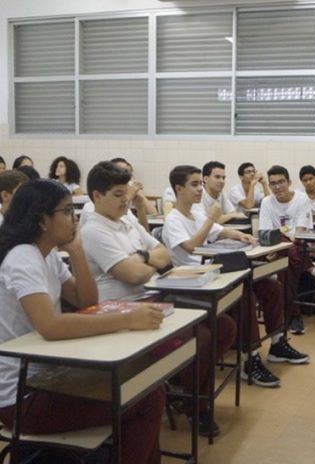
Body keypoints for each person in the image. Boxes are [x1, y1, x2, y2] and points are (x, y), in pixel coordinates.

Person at [0, 179, 164, 463]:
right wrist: (127, 319)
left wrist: (77, 251)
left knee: (144, 383)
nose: (75, 219)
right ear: (42, 220)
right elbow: (51, 326)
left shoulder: (46, 254)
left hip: (48, 379)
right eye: (68, 211)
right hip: (23, 398)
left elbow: (87, 302)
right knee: (145, 395)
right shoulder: (23, 257)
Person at [80, 162, 233, 437]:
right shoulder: (94, 229)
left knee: (224, 327)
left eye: (126, 193)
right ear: (97, 196)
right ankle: (196, 405)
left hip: (154, 297)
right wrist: (148, 262)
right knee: (202, 338)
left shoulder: (126, 220)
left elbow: (163, 255)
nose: (126, 200)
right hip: (122, 311)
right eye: (117, 195)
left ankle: (185, 388)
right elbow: (133, 275)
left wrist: (141, 258)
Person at [163, 165, 308, 387]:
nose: (200, 189)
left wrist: (242, 236)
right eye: (194, 184)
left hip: (216, 272)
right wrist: (211, 220)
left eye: (200, 184)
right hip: (196, 281)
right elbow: (191, 246)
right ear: (178, 189)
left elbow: (222, 231)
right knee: (245, 295)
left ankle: (277, 343)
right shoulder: (173, 219)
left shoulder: (196, 214)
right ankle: (251, 359)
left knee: (272, 288)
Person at [259, 165, 315, 334]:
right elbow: (267, 233)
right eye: (273, 184)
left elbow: (299, 233)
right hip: (278, 247)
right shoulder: (266, 202)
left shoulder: (301, 199)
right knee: (286, 252)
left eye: (281, 182)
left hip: (297, 245)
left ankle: (293, 315)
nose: (277, 187)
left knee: (288, 258)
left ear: (289, 182)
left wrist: (287, 242)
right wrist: (274, 247)